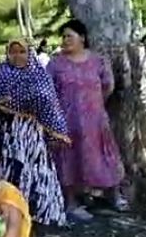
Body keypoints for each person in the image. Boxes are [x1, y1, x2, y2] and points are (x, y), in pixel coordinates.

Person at [0, 38, 69, 226]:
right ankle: (9, 215)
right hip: (8, 134)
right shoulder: (1, 73)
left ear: (29, 53)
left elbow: (51, 105)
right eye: (13, 52)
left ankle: (38, 216)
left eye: (21, 52)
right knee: (10, 172)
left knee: (36, 173)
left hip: (33, 137)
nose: (17, 56)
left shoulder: (41, 76)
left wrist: (56, 131)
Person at [47, 19, 126, 221]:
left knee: (106, 157)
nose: (65, 40)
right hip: (67, 121)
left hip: (96, 120)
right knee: (69, 161)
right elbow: (49, 92)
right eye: (63, 37)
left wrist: (93, 105)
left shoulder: (98, 61)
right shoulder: (56, 64)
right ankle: (72, 203)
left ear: (82, 38)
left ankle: (114, 196)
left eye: (69, 36)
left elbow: (108, 85)